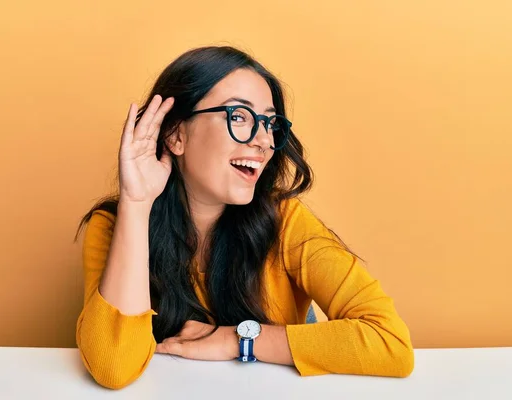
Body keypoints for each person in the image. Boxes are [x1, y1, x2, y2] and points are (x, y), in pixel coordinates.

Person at [74, 46, 414, 390]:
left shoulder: (286, 221)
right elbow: (114, 368)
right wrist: (137, 202)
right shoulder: (114, 225)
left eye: (268, 122)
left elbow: (390, 343)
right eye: (239, 116)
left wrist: (237, 340)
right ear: (177, 133)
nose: (265, 140)